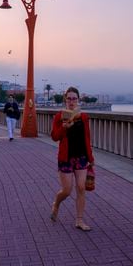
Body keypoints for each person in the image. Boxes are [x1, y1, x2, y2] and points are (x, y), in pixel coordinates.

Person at [50, 86, 95, 231]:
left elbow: (87, 138)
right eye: (69, 98)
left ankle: (79, 220)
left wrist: (90, 157)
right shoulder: (59, 116)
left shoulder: (84, 117)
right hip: (66, 157)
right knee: (67, 190)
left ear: (78, 100)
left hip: (81, 156)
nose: (71, 101)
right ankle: (56, 203)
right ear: (65, 100)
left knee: (81, 188)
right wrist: (64, 127)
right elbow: (54, 137)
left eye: (74, 98)